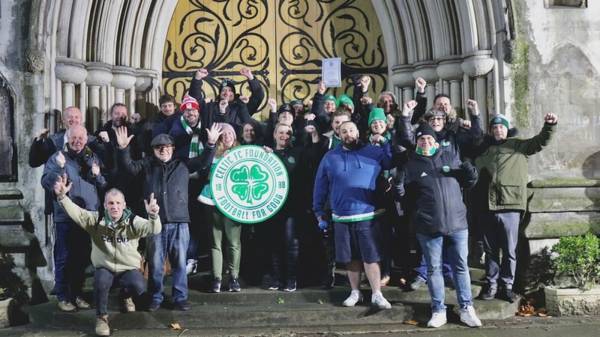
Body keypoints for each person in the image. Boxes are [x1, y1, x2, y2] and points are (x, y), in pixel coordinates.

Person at [116, 125, 220, 311]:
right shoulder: (146, 165)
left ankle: (180, 298)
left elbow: (204, 161)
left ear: (172, 148)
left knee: (180, 263)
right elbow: (128, 168)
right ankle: (156, 297)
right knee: (156, 264)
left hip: (180, 222)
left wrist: (211, 144)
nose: (163, 149)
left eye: (166, 146)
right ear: (153, 150)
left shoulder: (183, 164)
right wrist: (124, 149)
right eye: (158, 147)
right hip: (154, 224)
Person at [396, 123, 482, 328]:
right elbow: (404, 199)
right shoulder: (411, 165)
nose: (425, 142)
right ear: (416, 143)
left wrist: (470, 170)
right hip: (428, 226)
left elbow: (469, 182)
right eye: (421, 139)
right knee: (434, 269)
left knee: (460, 267)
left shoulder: (450, 157)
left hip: (458, 223)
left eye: (428, 139)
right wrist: (398, 186)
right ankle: (438, 310)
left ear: (435, 141)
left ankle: (466, 308)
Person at [52, 177, 161, 337]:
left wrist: (153, 216)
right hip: (105, 267)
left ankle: (126, 296)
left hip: (127, 268)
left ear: (124, 205)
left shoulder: (133, 222)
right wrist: (62, 197)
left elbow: (154, 229)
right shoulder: (96, 220)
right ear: (105, 205)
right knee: (101, 281)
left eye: (118, 203)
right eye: (111, 203)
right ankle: (102, 318)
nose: (114, 207)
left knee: (138, 285)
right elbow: (77, 213)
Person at [474, 113, 558, 303]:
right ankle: (492, 285)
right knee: (491, 251)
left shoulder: (518, 145)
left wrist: (549, 125)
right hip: (487, 208)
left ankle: (507, 286)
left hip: (510, 205)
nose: (498, 130)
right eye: (494, 128)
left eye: (501, 127)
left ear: (507, 129)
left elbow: (541, 142)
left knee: (510, 250)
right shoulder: (484, 152)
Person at [313, 121, 393, 309]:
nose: (348, 134)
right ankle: (355, 292)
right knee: (350, 258)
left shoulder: (373, 151)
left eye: (351, 130)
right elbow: (320, 185)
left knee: (370, 256)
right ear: (338, 136)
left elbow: (391, 161)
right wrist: (318, 211)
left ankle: (376, 294)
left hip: (368, 214)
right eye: (343, 131)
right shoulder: (330, 157)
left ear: (358, 132)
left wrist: (384, 142)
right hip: (341, 216)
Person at [41, 125, 105, 312]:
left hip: (88, 215)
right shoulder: (57, 157)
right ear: (67, 138)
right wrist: (59, 170)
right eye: (74, 137)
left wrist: (97, 175)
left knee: (82, 258)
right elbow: (46, 180)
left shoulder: (92, 156)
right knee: (64, 257)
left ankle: (77, 295)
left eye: (81, 138)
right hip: (66, 215)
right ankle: (63, 296)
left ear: (86, 139)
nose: (77, 141)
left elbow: (103, 183)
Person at [261, 123, 321, 292]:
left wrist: (315, 137)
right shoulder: (265, 154)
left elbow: (313, 159)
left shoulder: (298, 152)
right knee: (274, 242)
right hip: (271, 206)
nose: (284, 136)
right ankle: (277, 279)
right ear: (274, 134)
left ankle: (291, 280)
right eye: (281, 132)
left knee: (290, 242)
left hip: (292, 206)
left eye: (288, 133)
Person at [196, 123, 244, 293]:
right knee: (215, 242)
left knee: (233, 242)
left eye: (230, 133)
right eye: (224, 133)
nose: (227, 136)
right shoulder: (211, 153)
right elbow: (201, 170)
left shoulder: (243, 152)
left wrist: (268, 153)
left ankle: (233, 277)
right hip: (212, 200)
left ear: (235, 135)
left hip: (233, 203)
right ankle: (216, 278)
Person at [188, 67, 258, 134]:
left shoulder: (242, 106)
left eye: (230, 90)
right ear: (220, 94)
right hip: (213, 143)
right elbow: (195, 99)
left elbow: (258, 96)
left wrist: (251, 77)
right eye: (223, 90)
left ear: (234, 94)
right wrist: (197, 78)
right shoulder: (210, 106)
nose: (227, 93)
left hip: (238, 144)